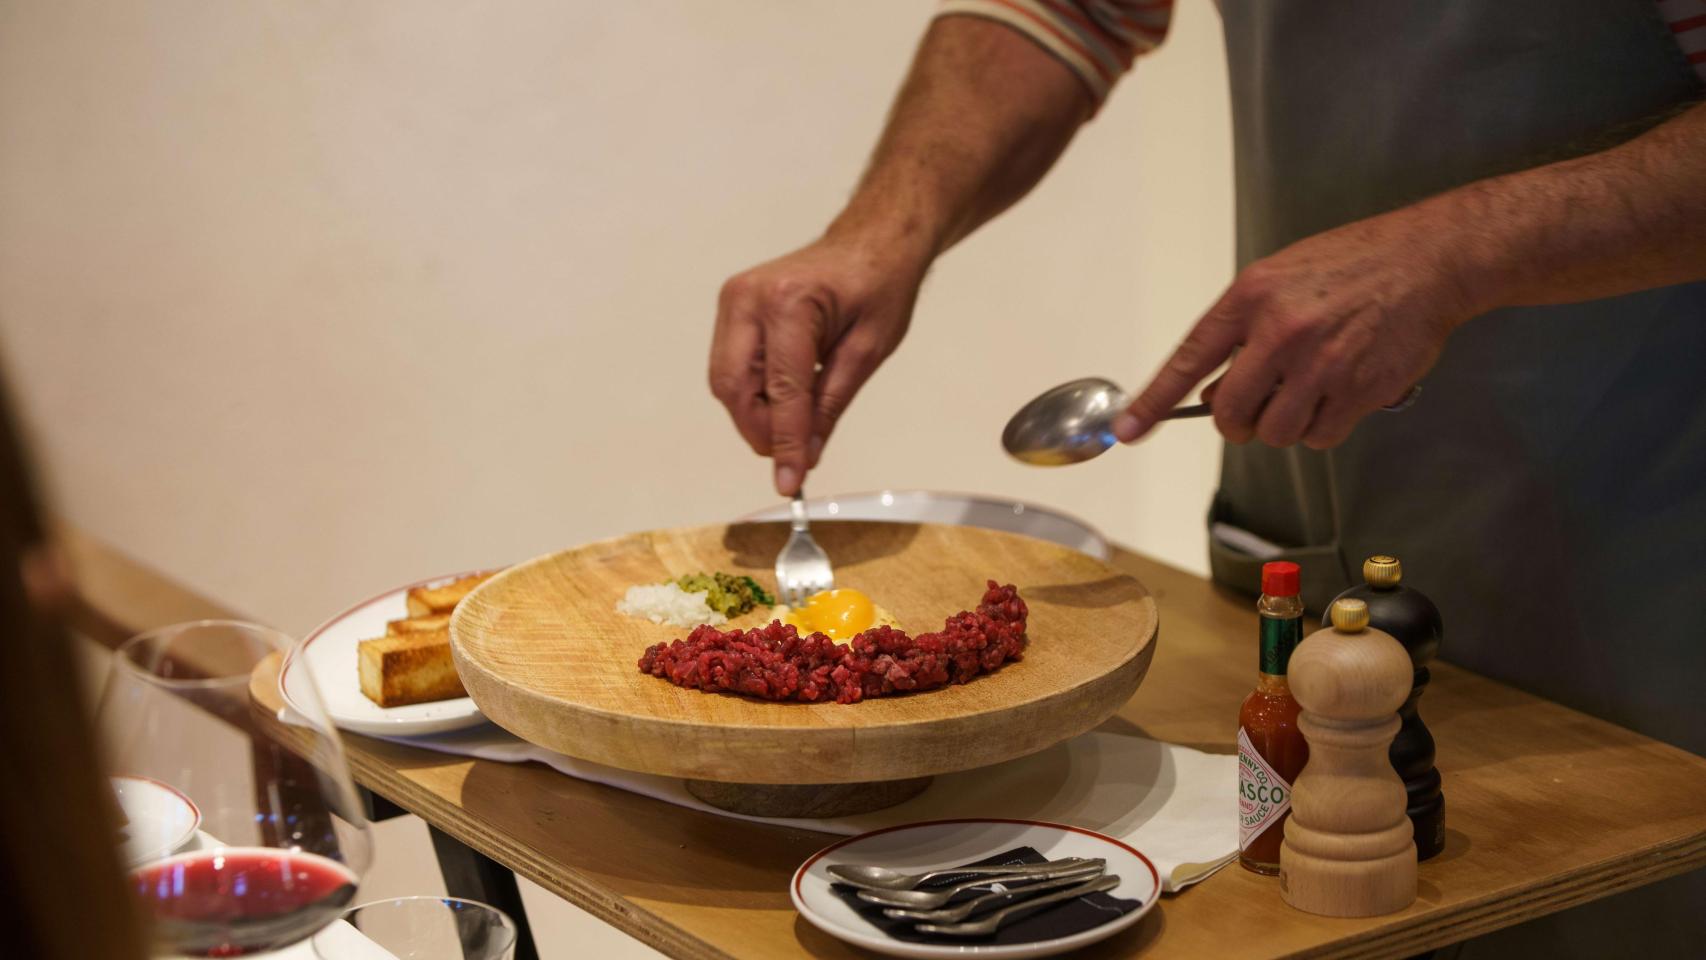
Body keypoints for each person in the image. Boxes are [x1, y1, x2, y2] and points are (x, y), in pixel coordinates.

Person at [708, 3, 1706, 953]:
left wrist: (1457, 251)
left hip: (1633, 515)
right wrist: (879, 235)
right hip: (1307, 495)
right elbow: (1073, 7)